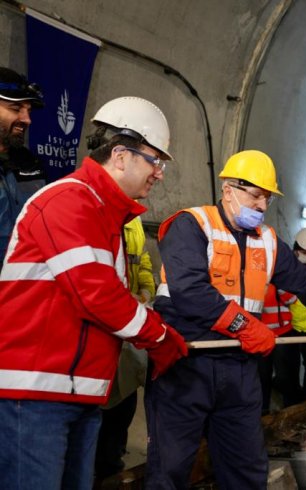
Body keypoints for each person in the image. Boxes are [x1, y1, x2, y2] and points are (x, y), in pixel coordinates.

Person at [147, 150, 306, 489]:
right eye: (256, 195)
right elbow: (190, 290)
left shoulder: (267, 241)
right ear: (229, 190)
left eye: (268, 197)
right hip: (187, 364)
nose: (263, 205)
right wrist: (245, 326)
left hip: (239, 368)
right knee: (170, 471)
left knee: (247, 470)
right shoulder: (192, 225)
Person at [0, 96, 188, 490]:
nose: (160, 174)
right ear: (121, 155)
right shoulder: (69, 200)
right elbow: (97, 294)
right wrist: (158, 335)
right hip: (34, 396)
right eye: (156, 160)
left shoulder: (106, 214)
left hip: (78, 394)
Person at [94, 216, 156, 479]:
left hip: (125, 325)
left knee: (124, 401)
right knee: (96, 409)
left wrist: (144, 293)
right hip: (98, 326)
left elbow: (141, 263)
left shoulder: (134, 224)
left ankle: (111, 467)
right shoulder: (93, 215)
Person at [0, 67, 45, 265]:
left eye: (28, 110)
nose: (27, 119)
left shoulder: (30, 164)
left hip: (21, 289)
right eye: (16, 109)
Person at [276, 228, 306, 405]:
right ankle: (292, 404)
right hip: (292, 326)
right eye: (304, 252)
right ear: (296, 247)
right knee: (291, 368)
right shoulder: (285, 269)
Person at [258, 284, 296, 412]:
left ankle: (291, 411)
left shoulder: (279, 277)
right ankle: (263, 413)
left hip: (282, 333)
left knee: (285, 375)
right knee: (262, 375)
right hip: (260, 336)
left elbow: (292, 299)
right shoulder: (253, 278)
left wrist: (279, 283)